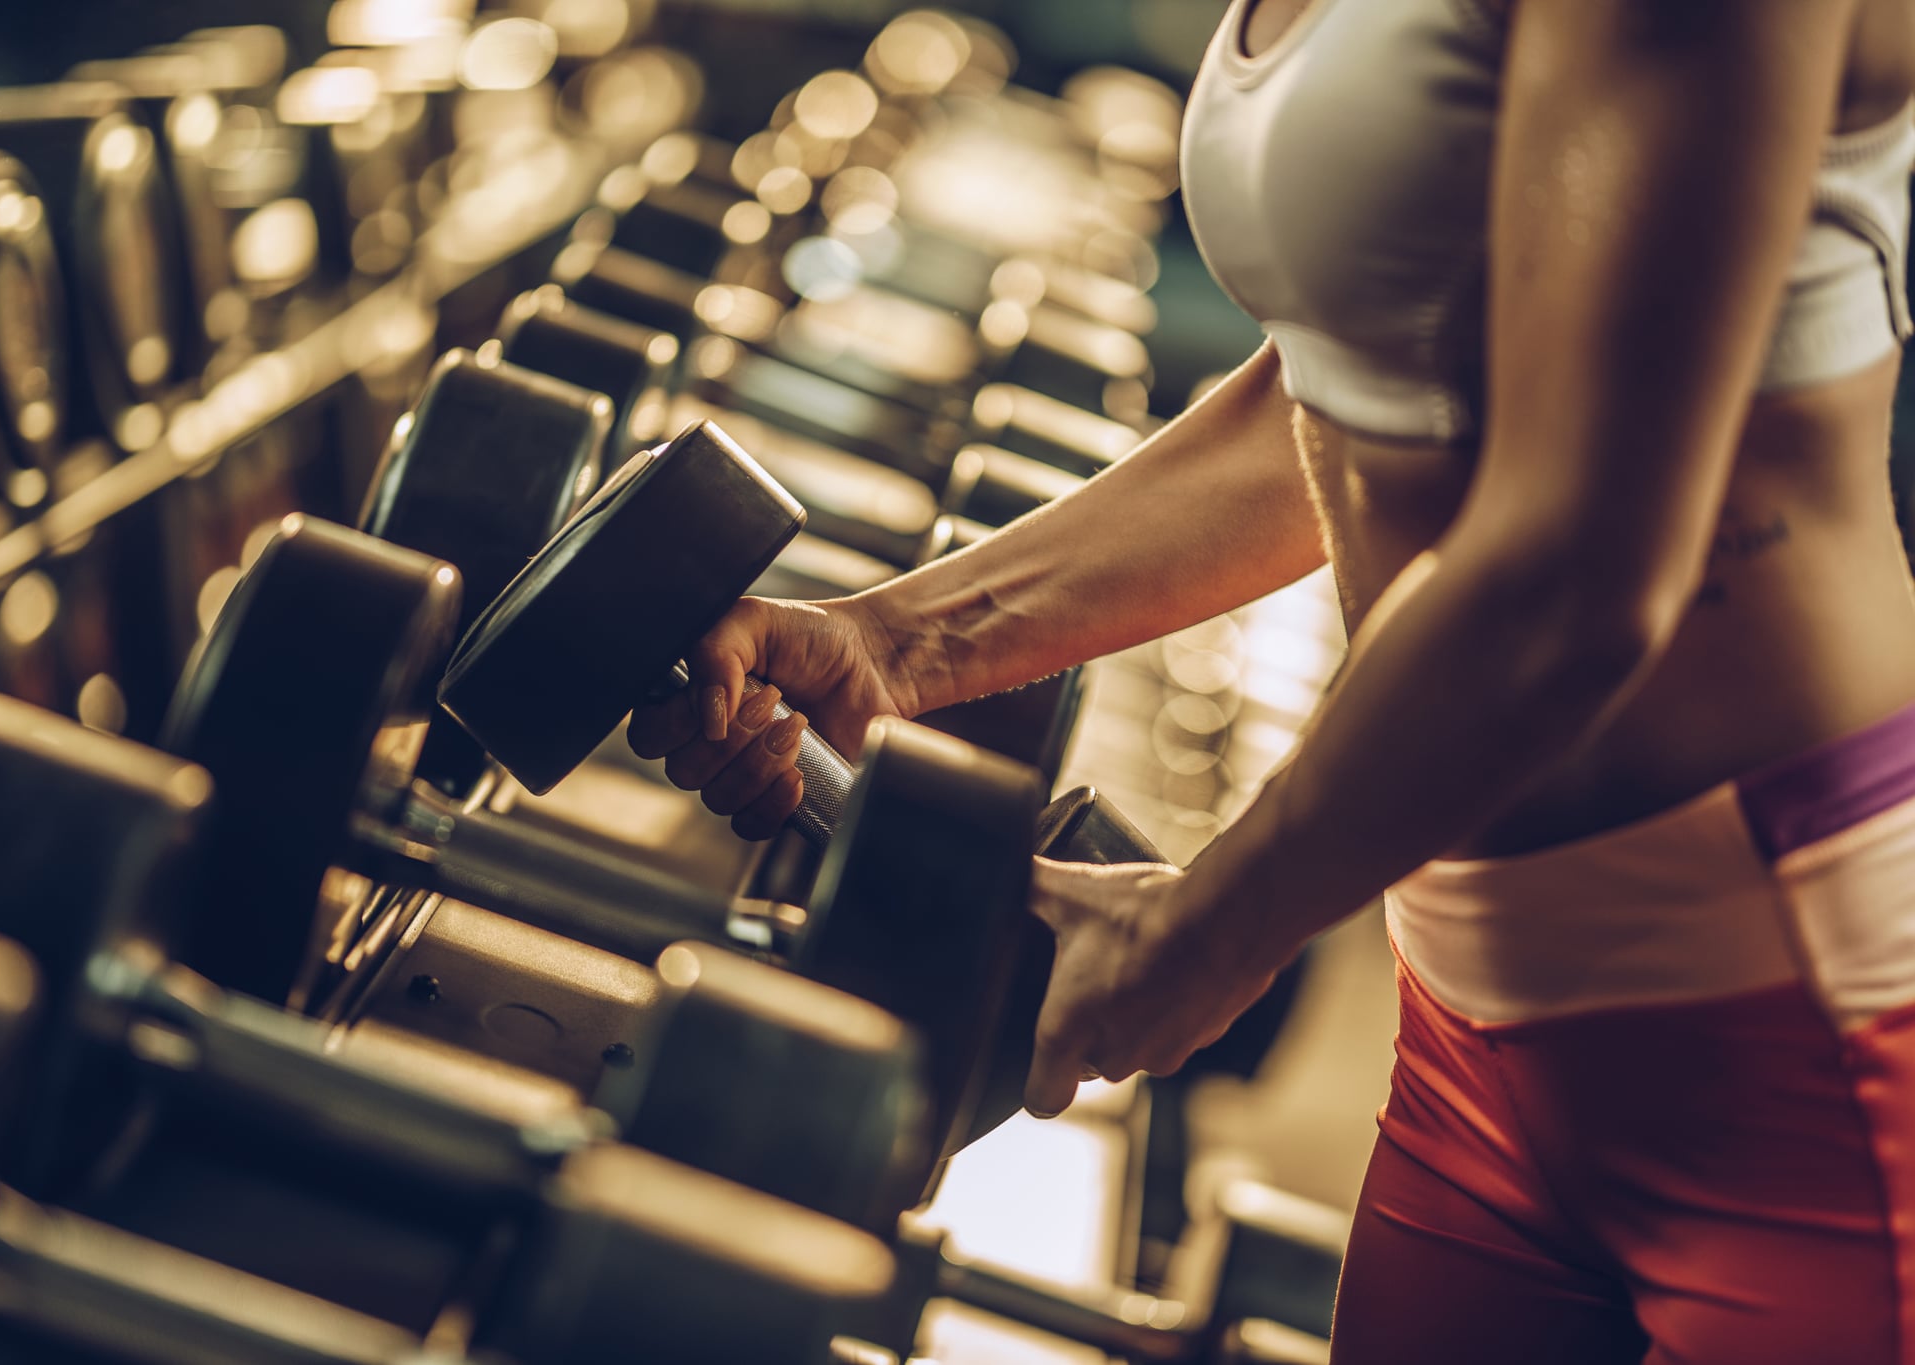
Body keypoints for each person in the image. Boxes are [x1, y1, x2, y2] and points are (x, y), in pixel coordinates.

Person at [630, 0, 1915, 1357]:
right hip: (1475, 1006)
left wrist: (1209, 927)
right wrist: (901, 640)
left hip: (1800, 1026)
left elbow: (1580, 568)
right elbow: (1351, 369)